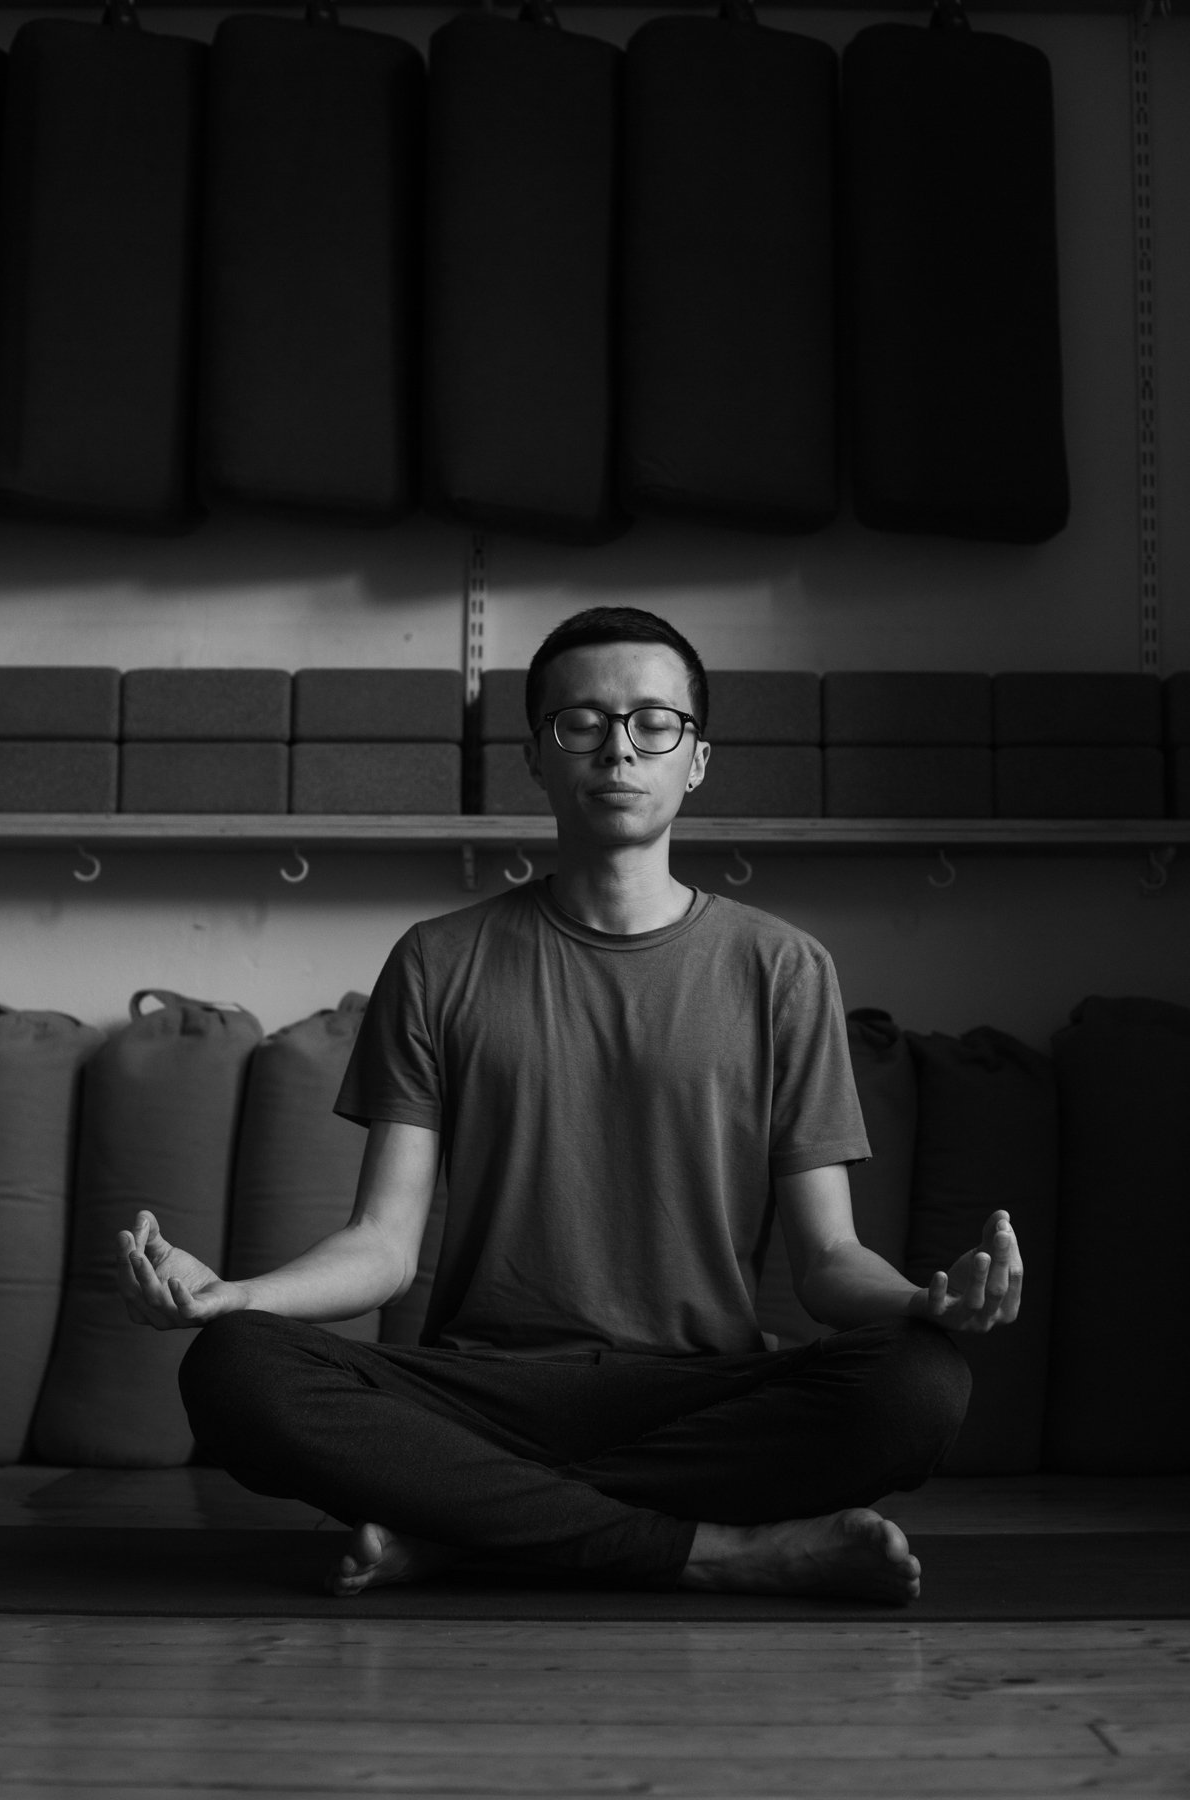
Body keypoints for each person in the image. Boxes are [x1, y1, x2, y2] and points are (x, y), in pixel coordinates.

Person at [117, 606, 1022, 1604]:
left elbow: (827, 1262)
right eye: (581, 724)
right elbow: (381, 1245)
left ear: (699, 759)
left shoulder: (784, 968)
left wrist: (923, 1304)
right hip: (483, 1392)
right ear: (536, 759)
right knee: (234, 1371)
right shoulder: (438, 959)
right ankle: (714, 1553)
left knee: (922, 1385)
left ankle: (473, 1531)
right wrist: (236, 1296)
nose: (618, 748)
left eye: (653, 722)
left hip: (699, 1390)